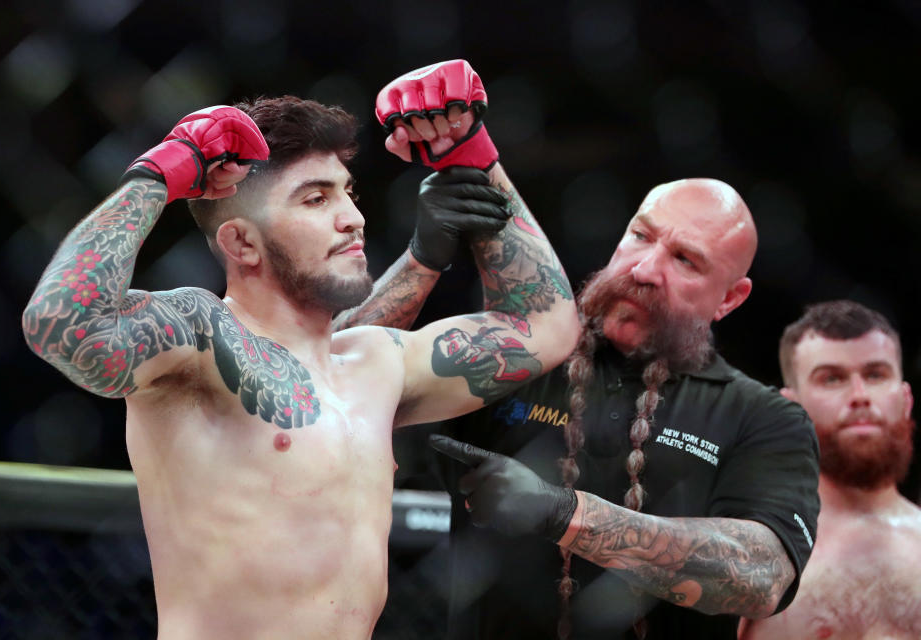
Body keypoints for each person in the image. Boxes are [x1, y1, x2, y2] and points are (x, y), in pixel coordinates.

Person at [21, 60, 579, 640]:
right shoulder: (202, 338)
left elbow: (543, 324)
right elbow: (64, 326)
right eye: (315, 200)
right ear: (242, 242)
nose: (353, 219)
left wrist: (472, 155)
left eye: (348, 193)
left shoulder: (374, 362)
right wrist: (155, 176)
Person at [346, 176, 821, 639]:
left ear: (730, 298)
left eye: (685, 260)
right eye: (640, 236)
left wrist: (563, 512)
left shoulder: (761, 417)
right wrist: (422, 259)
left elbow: (763, 576)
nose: (644, 270)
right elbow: (332, 382)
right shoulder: (518, 358)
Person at [738, 300, 921, 639]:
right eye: (832, 378)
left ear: (906, 399)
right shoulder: (749, 555)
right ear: (790, 412)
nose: (860, 395)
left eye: (876, 374)